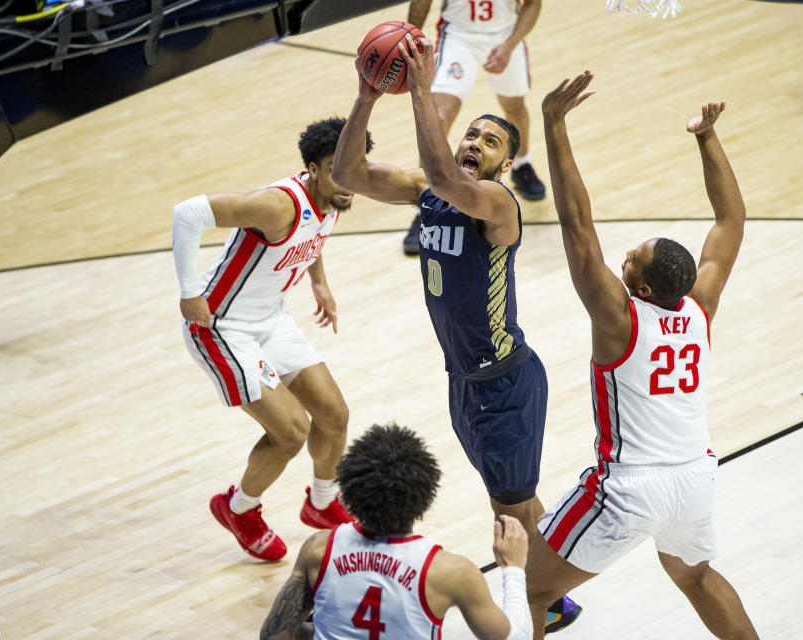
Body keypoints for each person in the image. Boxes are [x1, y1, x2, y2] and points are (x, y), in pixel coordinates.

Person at [332, 37, 580, 632]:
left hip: (505, 382)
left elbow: (444, 174)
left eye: (489, 142)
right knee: (513, 499)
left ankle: (537, 609)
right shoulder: (430, 191)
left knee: (508, 507)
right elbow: (346, 173)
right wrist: (367, 97)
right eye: (471, 133)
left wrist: (419, 87)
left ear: (502, 166)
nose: (474, 143)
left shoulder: (497, 204)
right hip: (464, 380)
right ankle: (557, 591)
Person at [525, 71, 759, 640]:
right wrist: (707, 137)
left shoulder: (620, 320)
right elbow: (731, 221)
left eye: (631, 259)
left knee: (528, 588)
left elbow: (577, 226)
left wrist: (554, 125)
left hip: (631, 485)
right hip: (694, 479)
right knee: (696, 576)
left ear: (645, 289)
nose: (623, 255)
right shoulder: (699, 309)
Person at [171, 118, 372, 562]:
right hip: (221, 326)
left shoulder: (337, 195)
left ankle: (321, 504)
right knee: (292, 431)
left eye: (354, 167)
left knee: (334, 415)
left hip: (271, 318)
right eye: (337, 169)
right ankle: (238, 509)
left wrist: (318, 280)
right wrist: (189, 293)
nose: (349, 180)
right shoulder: (277, 206)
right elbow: (187, 213)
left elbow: (314, 236)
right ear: (313, 169)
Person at [259, 423, 533, 640]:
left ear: (348, 490)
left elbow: (275, 635)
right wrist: (514, 569)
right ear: (426, 496)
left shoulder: (319, 548)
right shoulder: (451, 572)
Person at [402, 0, 546, 256]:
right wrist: (410, 39)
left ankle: (522, 165)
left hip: (505, 33)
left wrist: (510, 45)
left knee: (514, 106)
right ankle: (425, 206)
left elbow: (534, 4)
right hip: (458, 34)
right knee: (438, 117)